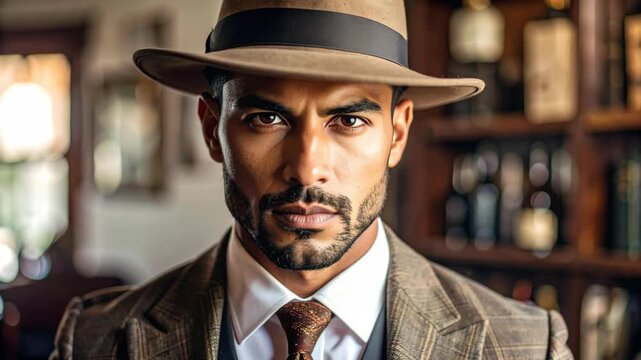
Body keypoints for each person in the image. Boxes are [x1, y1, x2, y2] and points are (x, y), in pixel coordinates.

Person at [51, 0, 574, 359]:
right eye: (267, 119)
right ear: (213, 130)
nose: (306, 167)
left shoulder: (526, 346)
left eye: (348, 120)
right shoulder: (96, 340)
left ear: (397, 134)